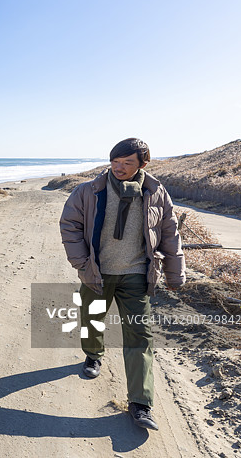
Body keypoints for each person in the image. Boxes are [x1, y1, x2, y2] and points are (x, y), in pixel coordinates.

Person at [59, 138, 185, 431]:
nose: (119, 168)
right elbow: (70, 224)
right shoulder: (89, 190)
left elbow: (170, 232)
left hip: (136, 275)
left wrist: (175, 273)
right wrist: (81, 262)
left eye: (127, 163)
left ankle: (141, 403)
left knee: (140, 337)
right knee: (92, 319)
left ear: (143, 163)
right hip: (97, 273)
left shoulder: (155, 193)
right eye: (115, 162)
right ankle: (93, 355)